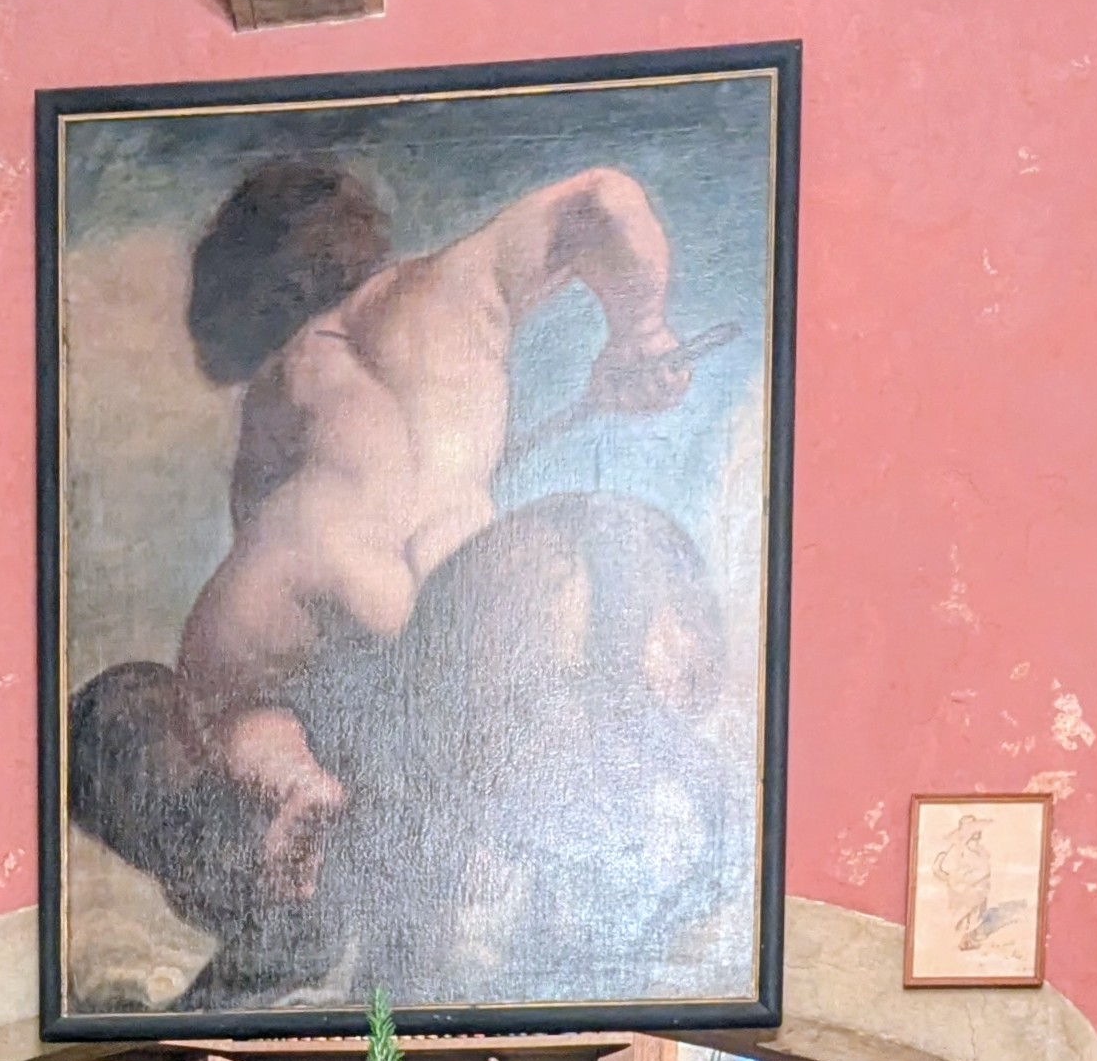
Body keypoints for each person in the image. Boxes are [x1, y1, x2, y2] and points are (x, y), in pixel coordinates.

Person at [72, 154, 704, 950]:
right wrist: (639, 331)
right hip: (441, 579)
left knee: (237, 705)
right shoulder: (453, 282)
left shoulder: (284, 373)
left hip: (283, 573)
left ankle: (298, 784)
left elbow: (265, 515)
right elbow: (604, 198)